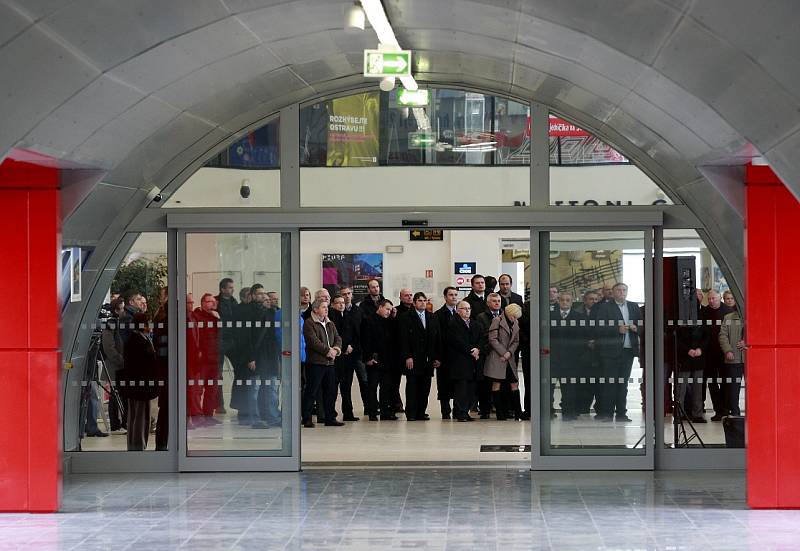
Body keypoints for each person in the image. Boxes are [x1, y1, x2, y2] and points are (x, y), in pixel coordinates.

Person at [593, 283, 642, 422]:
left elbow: (642, 326)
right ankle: (607, 413)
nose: (621, 292)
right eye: (618, 290)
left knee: (623, 384)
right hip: (610, 351)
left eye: (624, 290)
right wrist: (616, 329)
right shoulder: (605, 307)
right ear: (613, 293)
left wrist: (636, 328)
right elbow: (599, 327)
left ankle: (622, 413)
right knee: (610, 383)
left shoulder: (633, 306)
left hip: (628, 351)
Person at [242, 284, 281, 429]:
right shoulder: (247, 312)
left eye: (264, 294)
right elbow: (248, 338)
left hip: (269, 355)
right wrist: (251, 357)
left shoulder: (270, 312)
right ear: (252, 295)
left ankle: (272, 417)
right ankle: (255, 418)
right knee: (254, 389)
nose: (263, 296)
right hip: (256, 355)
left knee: (271, 387)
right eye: (259, 294)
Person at [398, 292, 440, 421]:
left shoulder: (432, 317)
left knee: (425, 387)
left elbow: (437, 338)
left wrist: (436, 357)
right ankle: (411, 413)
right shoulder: (406, 317)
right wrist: (407, 356)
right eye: (420, 301)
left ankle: (421, 412)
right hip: (413, 358)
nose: (423, 303)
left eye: (424, 300)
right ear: (414, 303)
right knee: (412, 386)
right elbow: (403, 339)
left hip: (428, 359)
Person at [302, 298, 343, 427]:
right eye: (323, 307)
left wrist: (336, 350)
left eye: (327, 307)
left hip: (330, 363)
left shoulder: (330, 322)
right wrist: (327, 351)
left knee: (330, 391)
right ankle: (307, 418)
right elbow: (313, 342)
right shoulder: (309, 323)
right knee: (312, 391)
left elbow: (338, 338)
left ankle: (330, 418)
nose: (326, 309)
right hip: (316, 363)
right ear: (315, 309)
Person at [122, 312, 159, 450]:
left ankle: (134, 443)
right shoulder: (139, 341)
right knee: (141, 417)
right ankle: (138, 444)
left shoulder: (135, 339)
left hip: (136, 385)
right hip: (141, 385)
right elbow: (145, 362)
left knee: (135, 415)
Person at [549, 293, 589, 420]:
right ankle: (548, 411)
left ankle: (568, 412)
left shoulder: (579, 317)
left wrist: (577, 356)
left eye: (568, 300)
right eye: (562, 300)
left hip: (571, 359)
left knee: (569, 388)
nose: (565, 302)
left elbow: (583, 338)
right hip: (553, 359)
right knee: (549, 387)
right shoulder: (550, 316)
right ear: (558, 301)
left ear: (572, 302)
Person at [484, 303, 522, 420]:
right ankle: (500, 413)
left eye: (516, 317)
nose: (515, 319)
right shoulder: (497, 320)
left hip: (509, 358)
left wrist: (509, 352)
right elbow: (492, 339)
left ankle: (518, 412)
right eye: (513, 316)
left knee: (514, 383)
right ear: (509, 313)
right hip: (497, 358)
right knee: (497, 383)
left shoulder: (515, 322)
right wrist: (503, 352)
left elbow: (516, 341)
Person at [447, 301, 484, 422]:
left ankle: (465, 411)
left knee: (471, 388)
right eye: (464, 308)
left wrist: (478, 349)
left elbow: (481, 339)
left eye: (469, 308)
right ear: (458, 310)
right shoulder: (453, 324)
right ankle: (461, 412)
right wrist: (470, 350)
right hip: (460, 360)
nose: (467, 311)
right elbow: (456, 341)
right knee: (461, 388)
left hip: (474, 360)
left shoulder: (476, 324)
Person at [700, 290, 732, 421]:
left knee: (726, 382)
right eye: (710, 299)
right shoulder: (704, 312)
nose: (712, 300)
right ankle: (718, 410)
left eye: (714, 298)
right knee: (712, 382)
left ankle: (725, 408)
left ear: (720, 298)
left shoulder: (728, 311)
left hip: (724, 352)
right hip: (709, 353)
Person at [189, 293, 221, 425]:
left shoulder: (216, 317)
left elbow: (222, 336)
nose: (211, 304)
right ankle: (197, 416)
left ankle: (208, 415)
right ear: (202, 303)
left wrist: (218, 320)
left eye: (213, 301)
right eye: (208, 301)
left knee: (212, 389)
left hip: (215, 358)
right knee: (198, 389)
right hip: (202, 359)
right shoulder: (196, 317)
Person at [361, 299, 395, 420]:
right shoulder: (368, 320)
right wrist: (367, 358)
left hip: (387, 360)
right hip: (374, 360)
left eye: (390, 310)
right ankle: (372, 412)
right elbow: (365, 341)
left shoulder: (389, 321)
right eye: (387, 309)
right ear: (380, 307)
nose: (388, 312)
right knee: (372, 387)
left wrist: (393, 316)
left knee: (386, 387)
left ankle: (385, 412)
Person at [329, 294, 360, 421]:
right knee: (333, 388)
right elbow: (334, 337)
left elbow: (355, 334)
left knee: (347, 387)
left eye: (343, 302)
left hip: (348, 357)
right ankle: (331, 413)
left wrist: (351, 346)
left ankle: (348, 413)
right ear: (332, 305)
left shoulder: (349, 317)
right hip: (336, 358)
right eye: (338, 303)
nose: (341, 305)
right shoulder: (330, 319)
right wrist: (343, 347)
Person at [340, 286, 370, 416]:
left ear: (352, 295)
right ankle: (348, 412)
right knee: (346, 384)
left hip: (358, 353)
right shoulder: (337, 312)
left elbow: (364, 331)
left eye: (349, 294)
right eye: (344, 294)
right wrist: (345, 346)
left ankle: (369, 408)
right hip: (344, 353)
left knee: (364, 381)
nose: (347, 296)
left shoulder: (359, 311)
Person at [476, 292, 504, 418]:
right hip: (487, 352)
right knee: (485, 383)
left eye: (498, 301)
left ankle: (502, 409)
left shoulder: (505, 315)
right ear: (488, 303)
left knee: (501, 382)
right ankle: (485, 410)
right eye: (494, 301)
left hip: (502, 354)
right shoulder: (481, 317)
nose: (497, 303)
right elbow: (481, 335)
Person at [101, 298, 126, 434]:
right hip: (114, 365)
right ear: (116, 310)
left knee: (118, 394)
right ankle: (115, 424)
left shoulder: (117, 323)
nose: (123, 311)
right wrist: (120, 359)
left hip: (118, 364)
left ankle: (119, 423)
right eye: (121, 309)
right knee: (115, 395)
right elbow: (109, 347)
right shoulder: (111, 323)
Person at [675, 323, 709, 423]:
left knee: (698, 388)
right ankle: (678, 414)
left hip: (699, 358)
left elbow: (707, 338)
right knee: (681, 388)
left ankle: (697, 414)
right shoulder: (681, 321)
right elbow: (677, 339)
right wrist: (687, 350)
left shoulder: (702, 321)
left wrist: (700, 349)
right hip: (684, 359)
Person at [433, 287, 459, 419]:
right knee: (444, 384)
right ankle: (445, 411)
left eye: (455, 295)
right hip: (443, 356)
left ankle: (457, 409)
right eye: (451, 295)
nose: (454, 297)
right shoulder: (438, 315)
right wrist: (437, 357)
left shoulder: (461, 313)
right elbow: (436, 338)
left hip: (457, 356)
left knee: (457, 383)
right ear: (445, 297)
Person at [719, 291, 745, 417]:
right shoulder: (728, 318)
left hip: (751, 359)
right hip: (733, 358)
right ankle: (735, 413)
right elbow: (722, 336)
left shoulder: (753, 317)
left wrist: (747, 342)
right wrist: (728, 350)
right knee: (733, 388)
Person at [215, 278, 238, 415]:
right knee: (218, 374)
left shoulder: (235, 302)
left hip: (232, 341)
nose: (232, 289)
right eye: (229, 287)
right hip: (219, 341)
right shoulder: (216, 302)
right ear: (223, 289)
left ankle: (236, 402)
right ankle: (219, 405)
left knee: (239, 370)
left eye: (232, 287)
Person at [152, 289, 169, 450]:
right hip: (167, 371)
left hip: (164, 370)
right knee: (167, 409)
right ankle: (163, 444)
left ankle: (163, 444)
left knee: (165, 408)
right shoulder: (167, 317)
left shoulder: (161, 316)